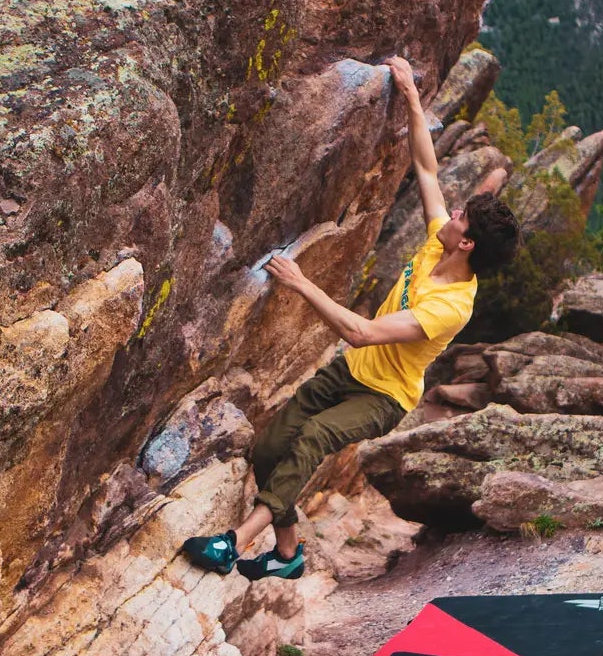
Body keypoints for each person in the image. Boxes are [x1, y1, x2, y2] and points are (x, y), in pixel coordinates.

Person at [182, 55, 520, 580]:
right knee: (271, 449)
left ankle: (233, 544)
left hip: (384, 395)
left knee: (312, 438)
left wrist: (300, 282)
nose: (451, 214)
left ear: (468, 242)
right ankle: (287, 555)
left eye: (460, 217)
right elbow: (427, 168)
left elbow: (360, 332)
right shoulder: (439, 244)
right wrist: (409, 93)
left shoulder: (451, 307)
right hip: (349, 374)